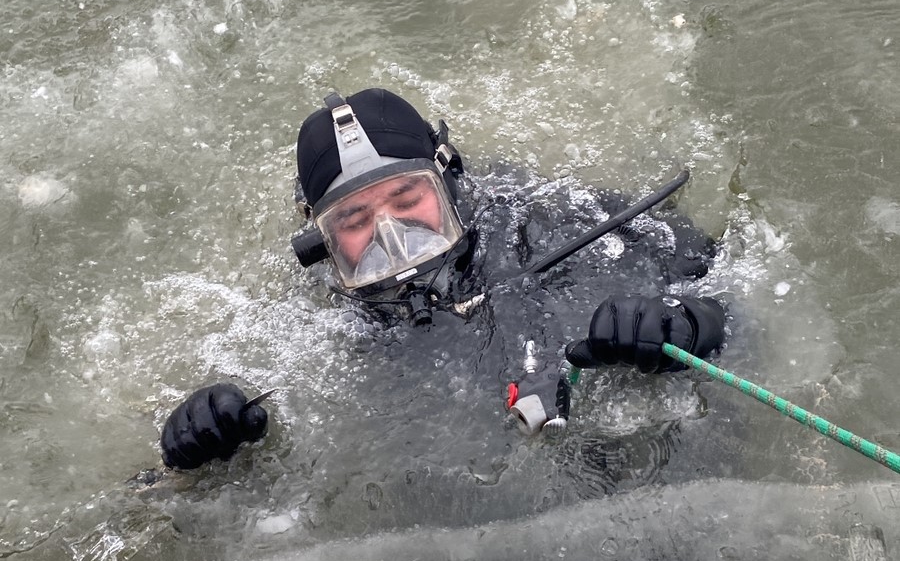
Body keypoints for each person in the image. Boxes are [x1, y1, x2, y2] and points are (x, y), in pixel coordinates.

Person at [160, 88, 727, 470]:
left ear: (448, 180)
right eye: (355, 220)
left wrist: (691, 324)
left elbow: (732, 275)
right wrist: (203, 440)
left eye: (408, 197)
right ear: (319, 243)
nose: (391, 232)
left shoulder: (549, 220)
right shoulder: (312, 323)